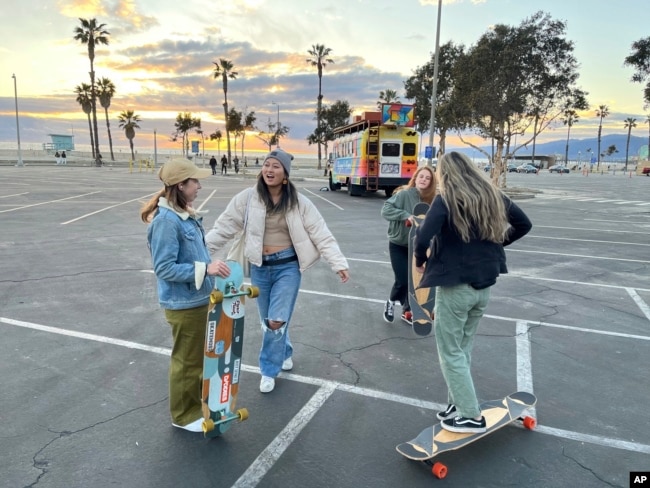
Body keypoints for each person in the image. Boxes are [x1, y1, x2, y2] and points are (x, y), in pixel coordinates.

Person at [206, 148, 350, 393]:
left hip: (288, 267)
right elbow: (224, 227)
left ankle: (268, 370)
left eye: (275, 166)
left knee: (275, 320)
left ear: (285, 174)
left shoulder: (298, 202)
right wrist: (200, 254)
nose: (269, 170)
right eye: (266, 165)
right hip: (260, 267)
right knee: (269, 320)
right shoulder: (247, 198)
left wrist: (338, 263)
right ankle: (285, 350)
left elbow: (320, 233)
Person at [414, 151, 532, 434]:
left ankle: (470, 415)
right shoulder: (492, 195)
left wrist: (420, 259)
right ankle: (457, 403)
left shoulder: (446, 200)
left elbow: (423, 235)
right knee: (462, 348)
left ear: (446, 174)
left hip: (457, 288)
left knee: (450, 351)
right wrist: (494, 244)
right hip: (484, 286)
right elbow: (524, 224)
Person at [141, 158, 230, 433]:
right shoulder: (167, 222)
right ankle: (182, 416)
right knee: (186, 362)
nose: (200, 186)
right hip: (184, 304)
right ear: (181, 185)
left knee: (196, 360)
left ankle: (193, 406)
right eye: (195, 182)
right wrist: (207, 268)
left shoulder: (184, 215)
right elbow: (164, 268)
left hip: (198, 299)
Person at [380, 166, 436, 325]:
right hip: (398, 243)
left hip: (418, 247)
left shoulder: (432, 200)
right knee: (403, 279)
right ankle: (391, 302)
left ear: (431, 182)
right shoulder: (404, 194)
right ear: (416, 177)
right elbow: (386, 210)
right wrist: (406, 216)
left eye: (428, 178)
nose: (424, 179)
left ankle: (407, 311)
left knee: (414, 281)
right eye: (421, 176)